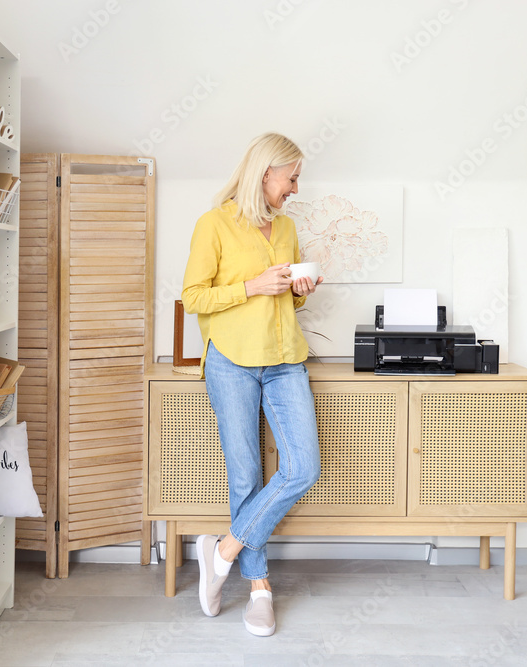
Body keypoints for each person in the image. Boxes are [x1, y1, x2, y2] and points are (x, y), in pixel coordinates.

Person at [180, 132, 323, 637]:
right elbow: (193, 296)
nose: (296, 188)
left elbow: (285, 303)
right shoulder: (213, 224)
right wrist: (252, 285)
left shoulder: (285, 228)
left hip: (285, 360)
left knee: (304, 467)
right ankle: (259, 590)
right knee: (246, 477)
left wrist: (299, 292)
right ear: (266, 174)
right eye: (292, 177)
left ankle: (221, 550)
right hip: (232, 361)